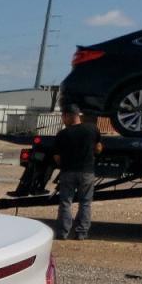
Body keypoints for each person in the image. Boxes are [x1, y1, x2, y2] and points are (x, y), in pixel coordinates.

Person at [52, 103, 103, 240]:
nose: (63, 120)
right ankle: (81, 233)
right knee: (85, 203)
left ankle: (63, 232)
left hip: (68, 171)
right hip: (87, 172)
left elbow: (57, 157)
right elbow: (98, 148)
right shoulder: (92, 129)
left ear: (68, 116)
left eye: (63, 117)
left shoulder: (62, 134)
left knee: (65, 202)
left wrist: (64, 164)